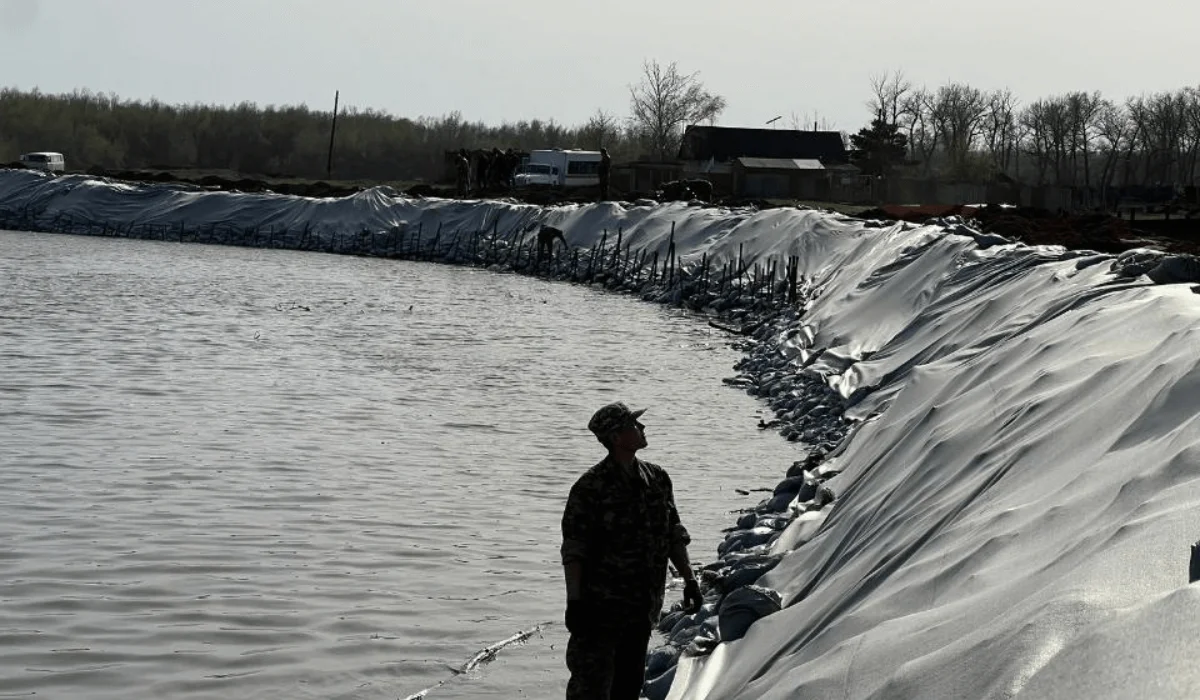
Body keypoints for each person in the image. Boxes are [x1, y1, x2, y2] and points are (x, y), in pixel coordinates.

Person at [561, 402, 702, 699]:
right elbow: (575, 550)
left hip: (642, 606)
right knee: (591, 688)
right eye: (634, 425)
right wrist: (574, 601)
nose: (642, 429)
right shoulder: (590, 488)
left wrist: (690, 581)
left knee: (628, 686)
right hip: (600, 610)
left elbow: (674, 533)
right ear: (615, 437)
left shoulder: (657, 479)